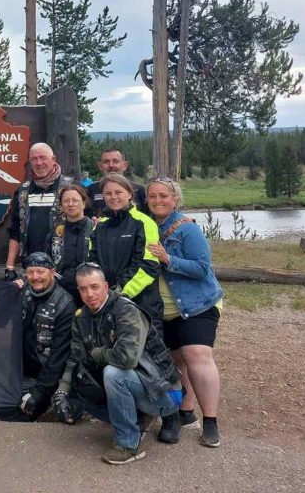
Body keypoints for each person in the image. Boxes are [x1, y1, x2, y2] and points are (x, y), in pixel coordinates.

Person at [54, 263, 183, 465]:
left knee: (113, 373)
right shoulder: (81, 318)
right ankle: (139, 420)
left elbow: (127, 358)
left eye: (94, 287)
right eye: (83, 289)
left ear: (106, 286)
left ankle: (128, 445)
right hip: (139, 384)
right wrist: (62, 391)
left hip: (164, 392)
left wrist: (97, 353)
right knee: (80, 381)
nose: (89, 294)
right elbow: (76, 359)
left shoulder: (126, 311)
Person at [146, 176, 225, 448]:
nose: (158, 200)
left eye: (163, 196)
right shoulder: (147, 226)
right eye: (152, 196)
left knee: (196, 356)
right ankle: (185, 412)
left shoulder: (187, 229)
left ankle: (211, 421)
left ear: (175, 198)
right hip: (164, 310)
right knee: (175, 362)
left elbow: (201, 268)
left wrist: (168, 259)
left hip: (196, 304)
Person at [87, 173, 164, 330]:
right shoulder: (99, 226)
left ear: (129, 193)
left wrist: (120, 293)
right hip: (107, 302)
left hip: (141, 303)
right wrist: (100, 293)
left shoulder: (145, 223)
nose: (113, 197)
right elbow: (92, 264)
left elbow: (148, 266)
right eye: (108, 193)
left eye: (118, 192)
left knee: (146, 353)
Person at [14, 252, 75, 421]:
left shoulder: (65, 304)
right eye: (30, 272)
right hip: (18, 370)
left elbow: (59, 359)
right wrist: (9, 291)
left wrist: (38, 392)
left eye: (40, 272)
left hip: (45, 377)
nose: (35, 277)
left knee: (20, 414)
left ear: (52, 272)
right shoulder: (21, 292)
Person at [4, 142, 70, 280]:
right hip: (32, 267)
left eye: (43, 157)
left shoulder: (71, 187)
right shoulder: (23, 191)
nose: (39, 163)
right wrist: (9, 266)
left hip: (64, 267)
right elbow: (15, 230)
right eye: (34, 159)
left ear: (54, 159)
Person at [53, 183, 93, 297]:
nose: (71, 204)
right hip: (60, 290)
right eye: (66, 201)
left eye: (75, 200)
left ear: (84, 204)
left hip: (89, 290)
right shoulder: (55, 233)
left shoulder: (96, 229)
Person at [86, 148, 148, 219]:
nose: (111, 165)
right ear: (100, 166)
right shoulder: (90, 190)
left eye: (115, 161)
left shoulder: (138, 190)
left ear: (125, 165)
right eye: (106, 162)